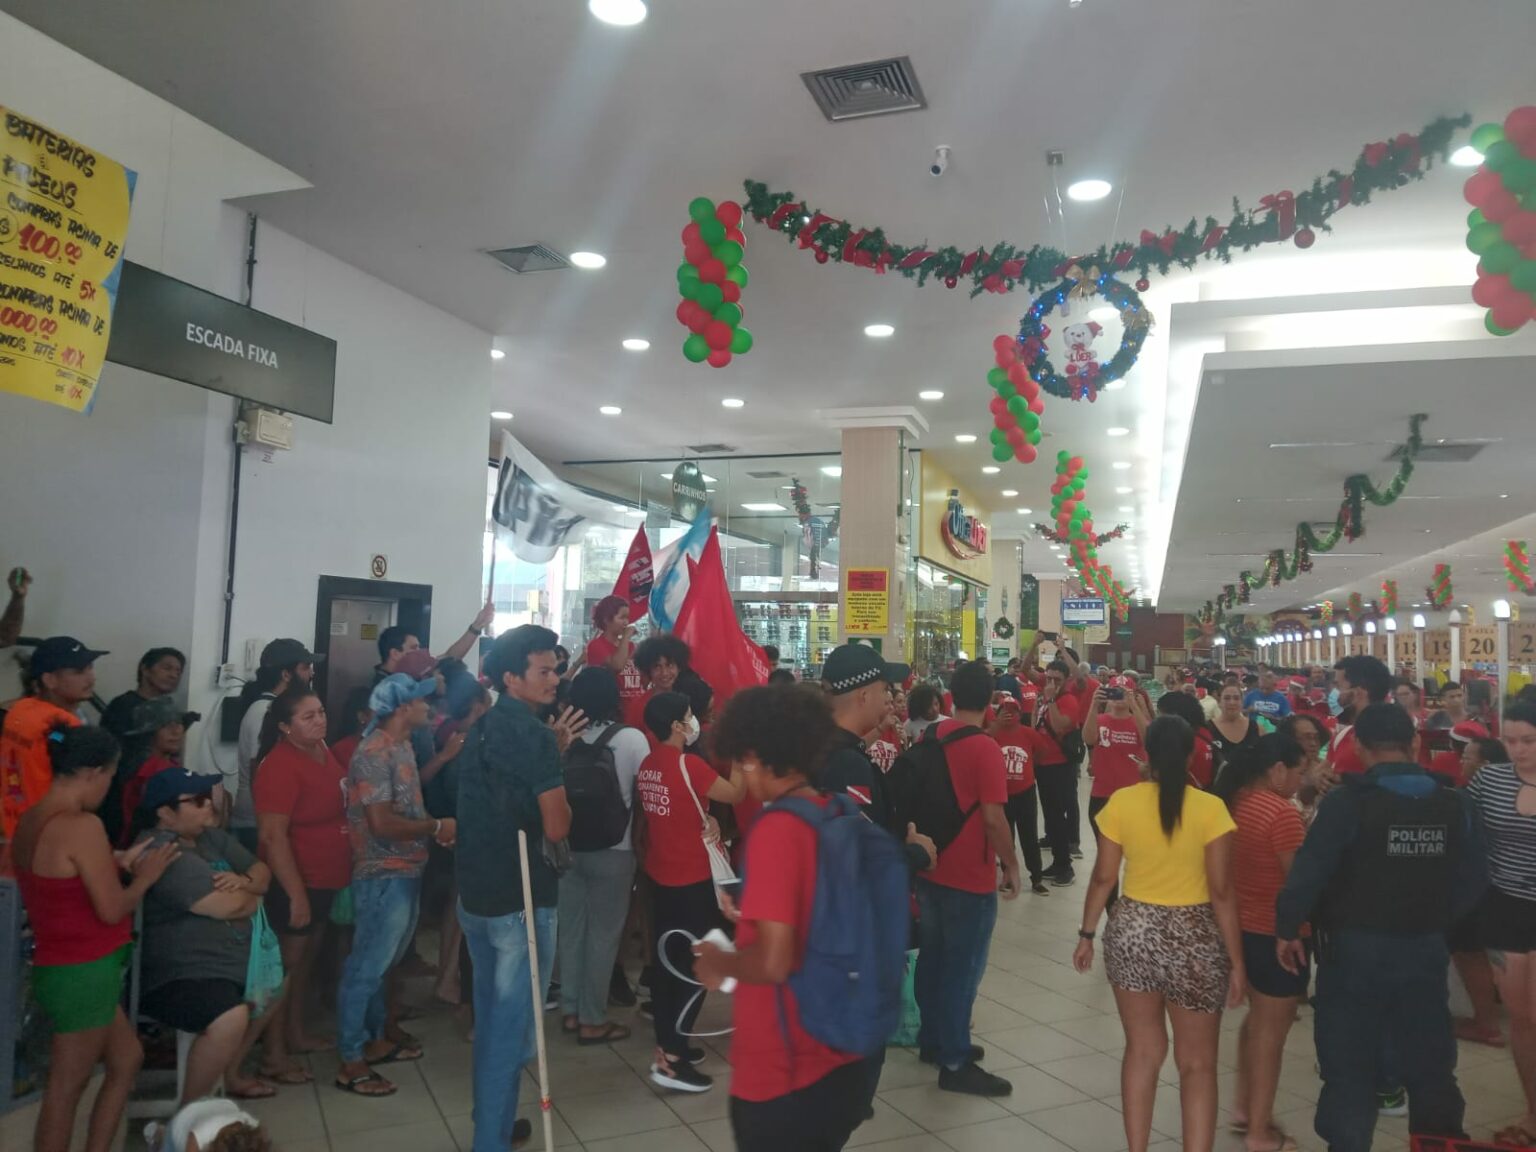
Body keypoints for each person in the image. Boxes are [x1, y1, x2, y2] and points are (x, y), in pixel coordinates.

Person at [1277, 704, 1484, 1152]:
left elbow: (1309, 873)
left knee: (1349, 1062)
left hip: (1352, 952)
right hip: (1424, 950)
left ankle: (1348, 1144)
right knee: (1429, 1061)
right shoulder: (1455, 803)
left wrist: (1288, 928)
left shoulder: (1348, 804)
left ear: (1360, 748)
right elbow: (1474, 878)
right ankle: (1439, 1141)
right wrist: (1438, 924)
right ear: (1414, 745)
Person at [694, 684, 869, 1152]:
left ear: (754, 753)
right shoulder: (838, 812)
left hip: (782, 1065)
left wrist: (719, 962)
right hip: (840, 1056)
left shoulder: (776, 831)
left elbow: (773, 962)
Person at [1072, 715, 1243, 1152]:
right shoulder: (1212, 810)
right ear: (1191, 756)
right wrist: (1238, 962)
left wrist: (1087, 933)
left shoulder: (1123, 803)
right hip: (1195, 938)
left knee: (1142, 1052)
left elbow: (1103, 879)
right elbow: (1222, 892)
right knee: (1198, 1064)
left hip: (1133, 932)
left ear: (1146, 754)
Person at [14, 725, 177, 1152]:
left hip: (64, 963)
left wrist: (116, 859)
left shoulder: (31, 819)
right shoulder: (81, 825)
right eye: (110, 777)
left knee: (127, 1060)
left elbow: (62, 879)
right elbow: (111, 908)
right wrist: (145, 878)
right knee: (66, 1089)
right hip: (82, 970)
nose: (109, 787)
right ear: (93, 772)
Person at [455, 625, 572, 1151]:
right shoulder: (534, 736)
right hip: (519, 900)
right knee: (511, 1033)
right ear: (511, 677)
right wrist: (559, 775)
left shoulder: (481, 726)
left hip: (476, 894)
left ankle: (493, 1122)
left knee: (492, 1021)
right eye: (543, 671)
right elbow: (556, 826)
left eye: (556, 669)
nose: (555, 679)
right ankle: (490, 1142)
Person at [334, 673, 455, 1098]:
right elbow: (381, 823)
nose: (432, 709)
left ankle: (374, 1040)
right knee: (365, 968)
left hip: (407, 868)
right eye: (425, 701)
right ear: (403, 707)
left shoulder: (401, 745)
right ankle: (350, 1061)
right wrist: (437, 825)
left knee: (382, 965)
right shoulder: (372, 752)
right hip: (383, 874)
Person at [135, 769, 277, 1103]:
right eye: (197, 801)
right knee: (230, 1016)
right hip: (183, 973)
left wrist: (245, 884)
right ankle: (189, 1113)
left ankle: (230, 1073)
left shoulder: (209, 838)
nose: (209, 807)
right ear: (165, 813)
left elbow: (262, 871)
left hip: (227, 962)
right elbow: (230, 907)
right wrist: (252, 895)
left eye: (208, 797)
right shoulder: (163, 853)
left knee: (277, 986)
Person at [915, 660, 1020, 1096]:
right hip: (970, 874)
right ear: (992, 700)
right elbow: (994, 820)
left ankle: (933, 1039)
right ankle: (955, 1061)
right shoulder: (985, 749)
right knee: (964, 968)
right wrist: (1012, 866)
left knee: (933, 957)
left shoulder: (929, 736)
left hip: (930, 864)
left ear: (950, 697)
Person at [637, 690, 746, 1092]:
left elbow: (677, 815)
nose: (693, 721)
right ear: (676, 726)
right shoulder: (689, 765)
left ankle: (672, 1043)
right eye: (688, 716)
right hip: (692, 881)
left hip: (661, 877)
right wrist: (740, 757)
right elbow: (736, 794)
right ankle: (672, 1060)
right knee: (696, 970)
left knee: (670, 965)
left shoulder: (649, 764)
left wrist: (709, 823)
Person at [1213, 733, 1308, 1152]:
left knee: (1256, 1023)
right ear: (1277, 770)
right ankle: (1258, 1131)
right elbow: (1299, 885)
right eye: (1300, 772)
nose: (1301, 780)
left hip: (1240, 931)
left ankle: (1242, 1107)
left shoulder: (1233, 803)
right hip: (1277, 936)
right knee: (1272, 1035)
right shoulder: (1281, 814)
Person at [252, 687, 350, 1080]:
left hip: (327, 878)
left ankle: (295, 1033)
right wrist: (295, 894)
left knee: (305, 964)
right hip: (297, 881)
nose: (320, 720)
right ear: (284, 727)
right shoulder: (279, 765)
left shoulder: (322, 749)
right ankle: (272, 1055)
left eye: (321, 711)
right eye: (307, 716)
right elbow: (273, 837)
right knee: (284, 971)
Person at [558, 666, 646, 1044]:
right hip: (615, 849)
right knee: (604, 936)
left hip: (567, 847)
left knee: (572, 931)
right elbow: (647, 792)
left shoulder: (562, 737)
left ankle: (571, 1011)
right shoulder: (630, 739)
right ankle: (593, 1018)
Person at [1467, 702, 1536, 1143]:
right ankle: (1533, 1111)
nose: (1517, 750)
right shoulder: (1490, 779)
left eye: (1528, 741)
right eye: (1509, 741)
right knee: (1521, 1016)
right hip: (1506, 908)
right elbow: (1460, 825)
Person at [1, 636, 106, 838]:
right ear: (49, 680)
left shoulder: (19, 710)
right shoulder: (66, 725)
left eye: (90, 668)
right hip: (48, 832)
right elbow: (82, 791)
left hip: (13, 824)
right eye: (78, 671)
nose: (91, 678)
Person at [233, 639, 321, 852]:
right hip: (259, 824)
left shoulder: (275, 708)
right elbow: (260, 771)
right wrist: (272, 825)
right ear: (286, 674)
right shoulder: (265, 711)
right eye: (305, 667)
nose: (311, 673)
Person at [1083, 676, 1150, 906]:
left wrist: (1135, 707)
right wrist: (1093, 705)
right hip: (1102, 797)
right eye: (1114, 692)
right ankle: (1112, 912)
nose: (1118, 697)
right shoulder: (1100, 719)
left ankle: (1137, 904)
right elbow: (1088, 738)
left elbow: (1150, 739)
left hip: (1134, 799)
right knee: (1106, 861)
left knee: (1138, 857)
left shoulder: (1137, 720)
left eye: (1124, 692)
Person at [118, 696, 202, 844]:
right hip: (155, 847)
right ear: (148, 733)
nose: (176, 731)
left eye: (179, 723)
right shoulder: (153, 768)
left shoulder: (164, 764)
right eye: (166, 725)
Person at [1035, 660, 1084, 886]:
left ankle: (1065, 866)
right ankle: (1058, 861)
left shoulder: (1068, 700)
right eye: (1049, 678)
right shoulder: (1043, 699)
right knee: (1051, 816)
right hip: (1043, 764)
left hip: (1061, 765)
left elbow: (1058, 726)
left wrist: (1052, 699)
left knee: (1058, 817)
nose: (1051, 683)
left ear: (1066, 681)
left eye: (1057, 680)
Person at [990, 697, 1046, 894]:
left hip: (1025, 792)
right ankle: (1007, 877)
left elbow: (1040, 754)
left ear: (1020, 713)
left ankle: (1037, 878)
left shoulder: (1028, 734)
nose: (1010, 714)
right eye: (1005, 710)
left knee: (1029, 837)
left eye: (1014, 711)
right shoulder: (992, 734)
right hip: (1001, 794)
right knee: (1006, 838)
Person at [373, 599, 495, 682]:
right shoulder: (384, 690)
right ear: (394, 653)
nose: (419, 652)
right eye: (413, 648)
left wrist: (477, 626)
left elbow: (449, 657)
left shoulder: (411, 675)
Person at [585, 595, 648, 730]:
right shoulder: (596, 645)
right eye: (622, 617)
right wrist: (626, 636)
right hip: (615, 716)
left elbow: (642, 679)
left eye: (627, 617)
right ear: (607, 619)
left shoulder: (631, 646)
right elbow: (617, 665)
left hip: (637, 712)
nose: (626, 622)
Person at [100, 646, 186, 742]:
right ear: (145, 669)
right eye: (167, 668)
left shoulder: (171, 708)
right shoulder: (123, 705)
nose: (173, 675)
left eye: (178, 672)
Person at [1327, 654, 1393, 777]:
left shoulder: (1393, 738)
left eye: (1338, 686)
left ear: (1357, 692)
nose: (1334, 692)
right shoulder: (1343, 736)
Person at [1157, 690, 1218, 789]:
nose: (1158, 718)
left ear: (1174, 715)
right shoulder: (1205, 732)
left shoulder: (1182, 742)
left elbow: (1166, 777)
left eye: (1160, 713)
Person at [1210, 683, 1263, 778]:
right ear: (1219, 702)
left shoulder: (1257, 728)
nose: (1232, 702)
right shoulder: (1208, 728)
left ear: (1242, 702)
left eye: (1236, 698)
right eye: (1227, 698)